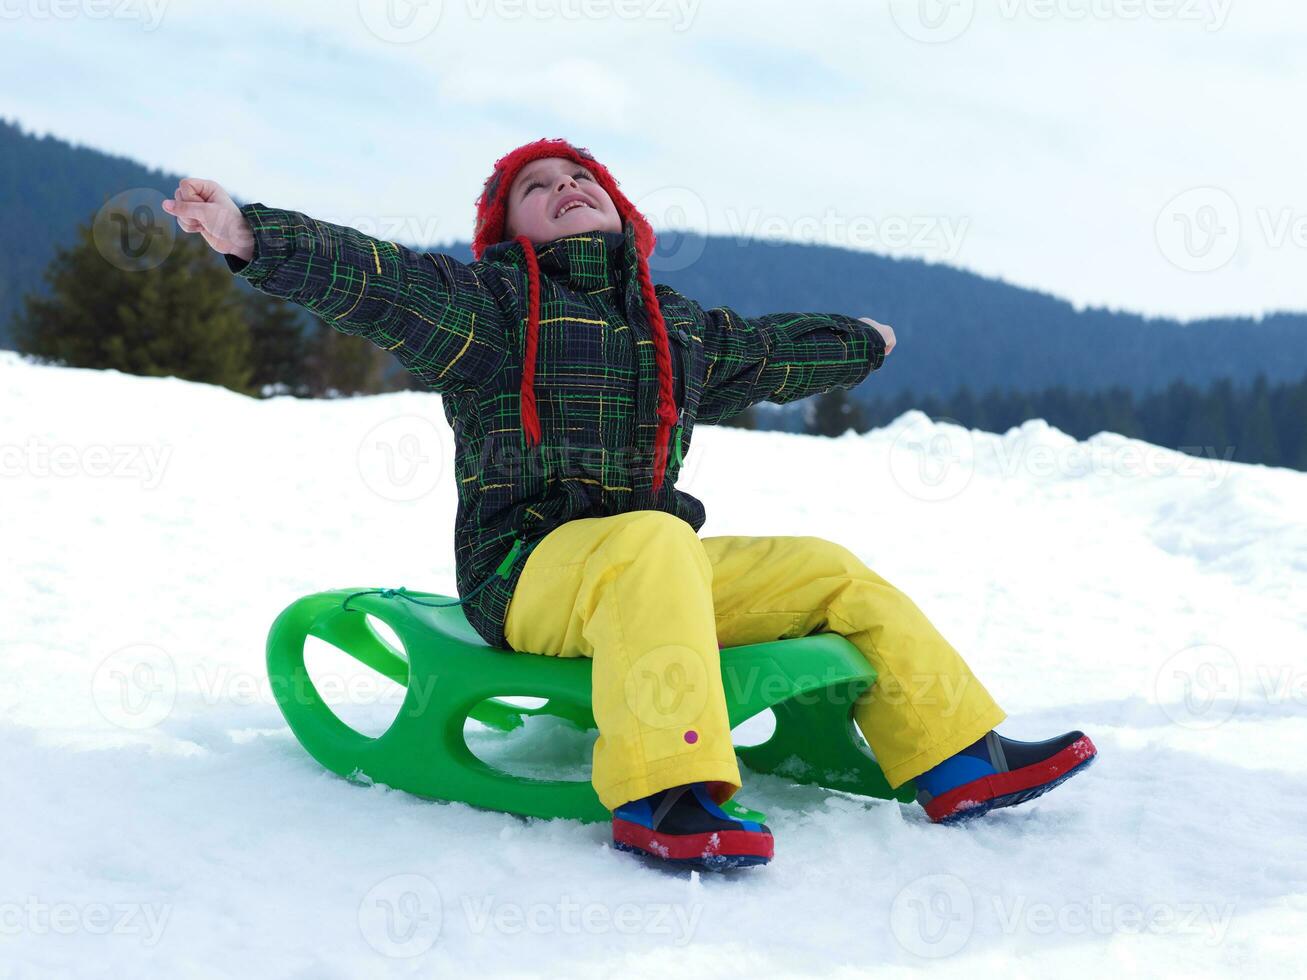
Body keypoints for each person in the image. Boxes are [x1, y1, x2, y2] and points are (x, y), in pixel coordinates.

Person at [163, 137, 1096, 873]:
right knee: (651, 538)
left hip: (650, 574)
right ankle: (663, 788)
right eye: (539, 188)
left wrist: (858, 341)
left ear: (621, 211)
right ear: (510, 232)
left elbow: (766, 353)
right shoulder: (486, 308)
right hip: (526, 577)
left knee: (823, 569)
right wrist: (254, 236)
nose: (565, 187)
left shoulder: (672, 325)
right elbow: (378, 281)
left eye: (580, 177)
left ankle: (954, 753)